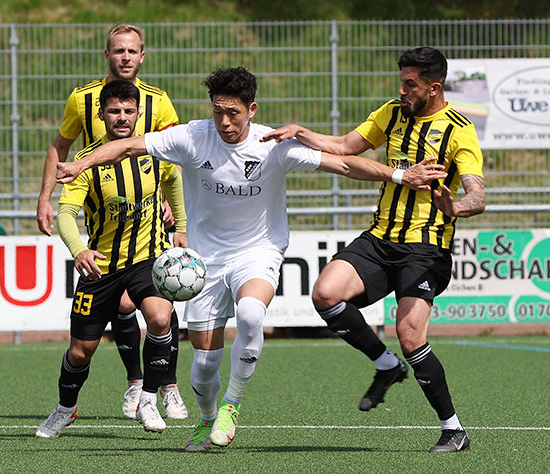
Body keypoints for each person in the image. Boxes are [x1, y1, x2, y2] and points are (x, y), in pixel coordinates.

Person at [56, 66, 447, 451]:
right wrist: (80, 163)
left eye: (233, 113)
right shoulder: (192, 136)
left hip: (258, 251)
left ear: (252, 110)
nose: (224, 122)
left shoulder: (271, 144)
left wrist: (399, 176)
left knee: (250, 314)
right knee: (204, 368)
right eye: (218, 112)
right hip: (204, 263)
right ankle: (207, 418)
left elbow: (342, 163)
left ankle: (232, 405)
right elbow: (128, 146)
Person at [262, 47, 486, 453]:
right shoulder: (392, 113)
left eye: (410, 84)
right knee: (325, 294)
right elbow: (344, 145)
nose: (402, 90)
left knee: (410, 335)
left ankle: (454, 430)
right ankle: (386, 365)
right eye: (401, 81)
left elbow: (477, 195)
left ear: (434, 88)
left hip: (425, 247)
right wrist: (299, 131)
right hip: (380, 238)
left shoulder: (459, 130)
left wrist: (456, 207)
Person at [36, 23, 187, 421]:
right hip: (102, 219)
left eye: (132, 50)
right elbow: (61, 148)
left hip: (148, 222)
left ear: (142, 56)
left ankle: (163, 389)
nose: (125, 57)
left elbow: (174, 159)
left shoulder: (159, 102)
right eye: (118, 50)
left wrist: (174, 210)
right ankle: (133, 383)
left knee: (159, 307)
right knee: (96, 331)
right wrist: (45, 197)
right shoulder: (81, 99)